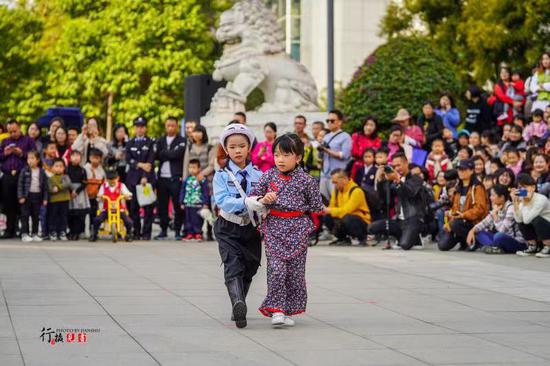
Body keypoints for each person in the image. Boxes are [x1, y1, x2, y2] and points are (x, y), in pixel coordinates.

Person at [248, 133, 324, 327]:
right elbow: (253, 197)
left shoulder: (307, 181)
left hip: (297, 230)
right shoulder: (268, 175)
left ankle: (287, 309)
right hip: (274, 228)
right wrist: (264, 200)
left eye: (285, 155)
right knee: (277, 271)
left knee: (295, 273)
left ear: (298, 157)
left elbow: (317, 206)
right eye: (276, 155)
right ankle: (277, 309)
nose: (279, 159)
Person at [213, 124, 262, 329]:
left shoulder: (259, 174)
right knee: (232, 264)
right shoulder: (221, 175)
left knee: (250, 266)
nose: (238, 150)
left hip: (251, 227)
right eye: (232, 147)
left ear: (249, 147)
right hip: (227, 226)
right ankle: (238, 303)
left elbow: (265, 198)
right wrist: (245, 202)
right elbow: (222, 201)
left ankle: (238, 303)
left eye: (242, 145)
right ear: (226, 149)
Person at [368, 152, 425, 250]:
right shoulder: (394, 179)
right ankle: (402, 236)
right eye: (394, 166)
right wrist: (381, 181)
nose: (397, 168)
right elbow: (384, 200)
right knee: (372, 228)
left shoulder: (416, 178)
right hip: (399, 220)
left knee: (405, 245)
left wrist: (398, 180)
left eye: (399, 165)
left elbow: (410, 192)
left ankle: (416, 238)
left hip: (413, 218)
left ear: (406, 163)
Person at [437, 159, 489, 251]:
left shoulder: (477, 187)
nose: (461, 172)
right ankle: (463, 240)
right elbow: (455, 207)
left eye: (464, 169)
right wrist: (451, 215)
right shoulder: (458, 187)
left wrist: (464, 215)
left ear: (472, 171)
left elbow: (480, 209)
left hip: (473, 222)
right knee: (442, 245)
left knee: (456, 225)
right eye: (459, 170)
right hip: (459, 221)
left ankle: (476, 241)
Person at [0, 120, 36, 238]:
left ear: (20, 128)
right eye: (10, 132)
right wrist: (5, 153)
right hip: (8, 175)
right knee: (8, 203)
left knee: (23, 203)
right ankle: (9, 230)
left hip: (23, 175)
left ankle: (23, 230)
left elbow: (35, 156)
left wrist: (22, 154)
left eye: (14, 131)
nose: (12, 134)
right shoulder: (5, 141)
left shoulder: (28, 141)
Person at [466, 184, 526, 254]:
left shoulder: (511, 208)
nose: (491, 198)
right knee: (478, 233)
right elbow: (484, 223)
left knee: (498, 236)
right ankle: (496, 248)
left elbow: (502, 230)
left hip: (517, 242)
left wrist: (495, 216)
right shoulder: (497, 207)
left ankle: (493, 247)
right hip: (501, 239)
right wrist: (472, 231)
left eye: (493, 195)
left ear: (502, 197)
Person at [155, 117, 187, 240]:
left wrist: (165, 153)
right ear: (165, 126)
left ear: (177, 126)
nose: (170, 128)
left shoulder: (182, 140)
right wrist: (169, 153)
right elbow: (157, 155)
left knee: (177, 205)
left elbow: (177, 154)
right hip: (162, 178)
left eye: (173, 125)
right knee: (162, 205)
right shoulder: (160, 140)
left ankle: (178, 230)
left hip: (176, 177)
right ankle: (163, 230)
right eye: (168, 125)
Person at [126, 117, 155, 241]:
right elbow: (129, 159)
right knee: (134, 208)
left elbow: (150, 161)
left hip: (146, 180)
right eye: (137, 126)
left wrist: (144, 176)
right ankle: (136, 231)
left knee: (148, 207)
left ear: (145, 128)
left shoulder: (150, 142)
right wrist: (140, 164)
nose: (139, 129)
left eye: (142, 126)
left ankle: (147, 233)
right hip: (132, 179)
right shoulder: (130, 142)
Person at [324, 168, 371, 246]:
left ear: (345, 179)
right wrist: (327, 211)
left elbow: (347, 210)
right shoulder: (336, 191)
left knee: (347, 217)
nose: (334, 185)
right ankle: (342, 239)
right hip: (344, 217)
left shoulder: (356, 191)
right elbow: (331, 207)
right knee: (327, 216)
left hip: (361, 222)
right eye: (333, 182)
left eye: (336, 182)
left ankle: (362, 238)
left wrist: (330, 210)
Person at [89, 169, 134, 242]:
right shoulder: (104, 186)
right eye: (110, 182)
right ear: (106, 180)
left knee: (129, 221)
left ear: (118, 178)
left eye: (114, 181)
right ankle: (94, 234)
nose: (112, 183)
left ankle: (129, 234)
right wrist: (100, 197)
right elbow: (98, 196)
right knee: (97, 220)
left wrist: (126, 195)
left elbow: (129, 194)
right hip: (107, 210)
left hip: (119, 210)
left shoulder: (121, 186)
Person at [513, 174, 550, 258]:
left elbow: (527, 220)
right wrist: (515, 202)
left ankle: (548, 246)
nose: (522, 190)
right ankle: (533, 246)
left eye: (525, 187)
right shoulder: (522, 200)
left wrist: (525, 203)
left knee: (536, 219)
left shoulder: (541, 199)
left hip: (547, 228)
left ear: (533, 187)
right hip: (540, 233)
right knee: (521, 221)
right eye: (520, 188)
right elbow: (519, 220)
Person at [319, 110, 352, 200]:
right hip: (324, 174)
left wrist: (327, 150)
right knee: (323, 202)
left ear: (340, 122)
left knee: (337, 202)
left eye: (332, 121)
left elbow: (345, 155)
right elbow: (322, 156)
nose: (329, 123)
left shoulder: (346, 137)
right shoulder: (326, 136)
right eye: (328, 121)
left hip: (337, 176)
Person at [17, 150, 48, 242]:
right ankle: (24, 234)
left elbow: (45, 186)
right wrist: (20, 196)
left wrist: (45, 198)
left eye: (32, 158)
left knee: (36, 216)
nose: (30, 160)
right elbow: (20, 184)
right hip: (27, 196)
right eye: (28, 158)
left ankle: (34, 233)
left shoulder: (42, 171)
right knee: (25, 215)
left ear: (37, 160)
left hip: (37, 196)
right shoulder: (24, 170)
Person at [179, 159, 210, 241]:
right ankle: (190, 233)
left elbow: (205, 191)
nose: (192, 170)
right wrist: (181, 202)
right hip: (188, 203)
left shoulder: (202, 179)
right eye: (190, 167)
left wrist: (205, 203)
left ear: (199, 168)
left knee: (197, 219)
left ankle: (198, 233)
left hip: (198, 203)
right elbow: (183, 191)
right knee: (188, 219)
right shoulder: (186, 180)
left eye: (194, 167)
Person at [67, 150, 90, 240]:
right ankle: (70, 231)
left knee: (78, 214)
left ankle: (77, 232)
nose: (76, 158)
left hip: (80, 193)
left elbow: (85, 183)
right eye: (74, 155)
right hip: (69, 192)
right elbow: (65, 180)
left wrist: (76, 191)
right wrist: (70, 191)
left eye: (78, 156)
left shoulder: (82, 170)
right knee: (70, 213)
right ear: (70, 157)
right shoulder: (67, 169)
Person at [47, 158, 71, 241]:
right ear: (52, 168)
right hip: (54, 200)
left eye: (61, 166)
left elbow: (67, 184)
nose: (59, 168)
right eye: (56, 166)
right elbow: (49, 188)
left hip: (65, 200)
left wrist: (58, 187)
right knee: (53, 216)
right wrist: (53, 189)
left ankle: (62, 231)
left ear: (64, 168)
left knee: (63, 217)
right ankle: (53, 231)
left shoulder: (65, 176)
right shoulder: (50, 178)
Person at [84, 148, 106, 231]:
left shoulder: (101, 170)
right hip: (86, 194)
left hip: (96, 195)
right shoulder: (85, 168)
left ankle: (94, 228)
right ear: (89, 158)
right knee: (84, 213)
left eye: (97, 158)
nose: (95, 160)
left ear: (100, 159)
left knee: (94, 212)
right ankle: (83, 230)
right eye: (93, 157)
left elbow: (104, 182)